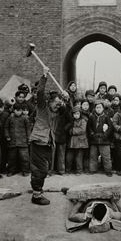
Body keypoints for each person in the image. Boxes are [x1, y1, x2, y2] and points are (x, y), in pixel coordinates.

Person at [29, 67, 68, 205]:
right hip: (38, 141)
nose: (58, 105)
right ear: (49, 101)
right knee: (41, 169)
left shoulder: (56, 111)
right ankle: (36, 195)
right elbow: (40, 92)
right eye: (56, 102)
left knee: (44, 169)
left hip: (48, 143)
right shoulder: (42, 108)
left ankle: (37, 188)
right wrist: (44, 76)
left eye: (59, 103)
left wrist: (66, 98)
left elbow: (65, 110)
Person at [87, 100, 113, 176]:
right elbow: (89, 127)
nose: (98, 109)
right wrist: (92, 134)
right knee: (93, 156)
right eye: (97, 107)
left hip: (104, 140)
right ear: (95, 108)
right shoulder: (91, 117)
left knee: (106, 156)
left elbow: (110, 128)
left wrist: (106, 135)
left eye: (100, 107)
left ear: (103, 108)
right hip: (94, 140)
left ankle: (108, 170)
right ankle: (92, 169)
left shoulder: (106, 117)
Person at [4, 103, 31, 177]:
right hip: (12, 141)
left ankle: (25, 171)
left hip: (23, 142)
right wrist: (7, 136)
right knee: (12, 158)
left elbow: (28, 129)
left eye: (20, 110)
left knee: (24, 158)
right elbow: (6, 127)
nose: (18, 112)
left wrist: (29, 138)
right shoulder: (10, 118)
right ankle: (11, 171)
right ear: (13, 110)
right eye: (16, 110)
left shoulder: (25, 118)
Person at [66, 105, 88, 175]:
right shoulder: (71, 121)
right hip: (72, 142)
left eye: (77, 113)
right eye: (74, 114)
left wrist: (72, 130)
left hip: (80, 141)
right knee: (69, 157)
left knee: (79, 158)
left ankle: (79, 171)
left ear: (80, 114)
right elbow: (67, 128)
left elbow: (82, 130)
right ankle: (68, 170)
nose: (76, 115)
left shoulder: (83, 120)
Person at [0, 99, 9, 174]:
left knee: (5, 153)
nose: (0, 110)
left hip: (5, 136)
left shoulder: (6, 114)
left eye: (1, 108)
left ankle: (3, 168)